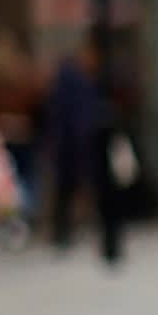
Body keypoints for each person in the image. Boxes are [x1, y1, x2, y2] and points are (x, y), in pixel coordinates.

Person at [42, 43, 125, 267]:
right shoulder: (79, 84)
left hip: (77, 148)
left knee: (69, 192)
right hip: (82, 147)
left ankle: (65, 234)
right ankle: (70, 234)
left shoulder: (75, 83)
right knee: (82, 192)